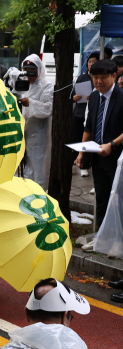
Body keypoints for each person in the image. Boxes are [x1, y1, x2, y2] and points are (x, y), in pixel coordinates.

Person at [76, 59, 123, 232]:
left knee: (118, 198)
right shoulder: (95, 96)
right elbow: (89, 126)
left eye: (103, 77)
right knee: (101, 197)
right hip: (97, 156)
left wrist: (112, 144)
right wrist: (82, 152)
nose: (99, 81)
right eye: (95, 77)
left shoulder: (121, 96)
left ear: (114, 75)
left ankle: (117, 240)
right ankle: (101, 237)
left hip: (118, 158)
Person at [20, 54, 53, 189]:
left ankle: (40, 192)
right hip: (23, 132)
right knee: (26, 166)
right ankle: (27, 192)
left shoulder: (47, 86)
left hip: (39, 133)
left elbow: (48, 108)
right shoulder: (22, 84)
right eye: (26, 71)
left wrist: (30, 103)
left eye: (32, 72)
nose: (29, 76)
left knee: (38, 166)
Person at [71, 53, 99, 178]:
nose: (91, 64)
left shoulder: (98, 78)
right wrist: (74, 98)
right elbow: (72, 94)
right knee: (76, 138)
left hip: (91, 115)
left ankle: (85, 165)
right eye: (90, 61)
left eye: (94, 62)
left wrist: (93, 97)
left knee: (87, 140)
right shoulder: (82, 77)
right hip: (79, 112)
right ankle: (75, 160)